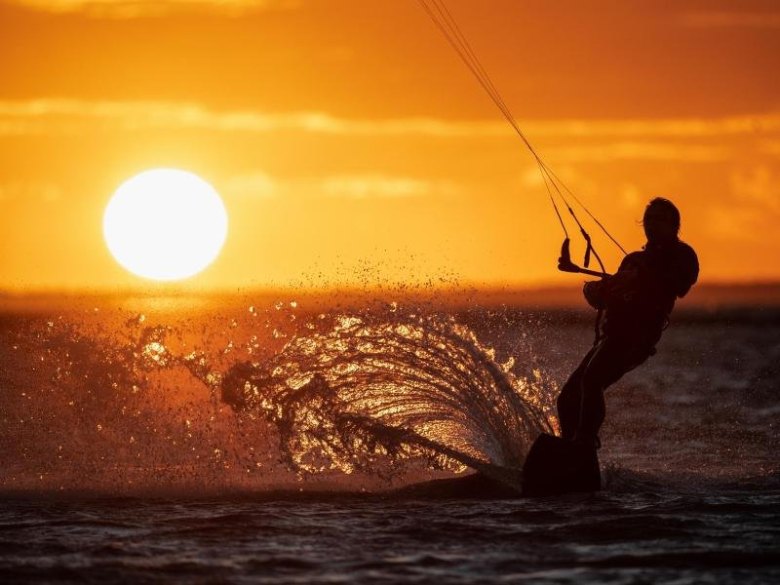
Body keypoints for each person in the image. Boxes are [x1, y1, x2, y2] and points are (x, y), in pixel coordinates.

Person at [556, 197, 699, 449]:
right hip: (613, 336)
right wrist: (598, 291)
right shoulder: (633, 259)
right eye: (649, 219)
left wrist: (639, 277)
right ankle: (569, 450)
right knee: (567, 398)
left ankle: (585, 443)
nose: (652, 224)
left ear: (675, 225)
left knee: (592, 381)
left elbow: (680, 286)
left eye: (660, 219)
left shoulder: (683, 255)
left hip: (638, 338)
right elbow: (610, 299)